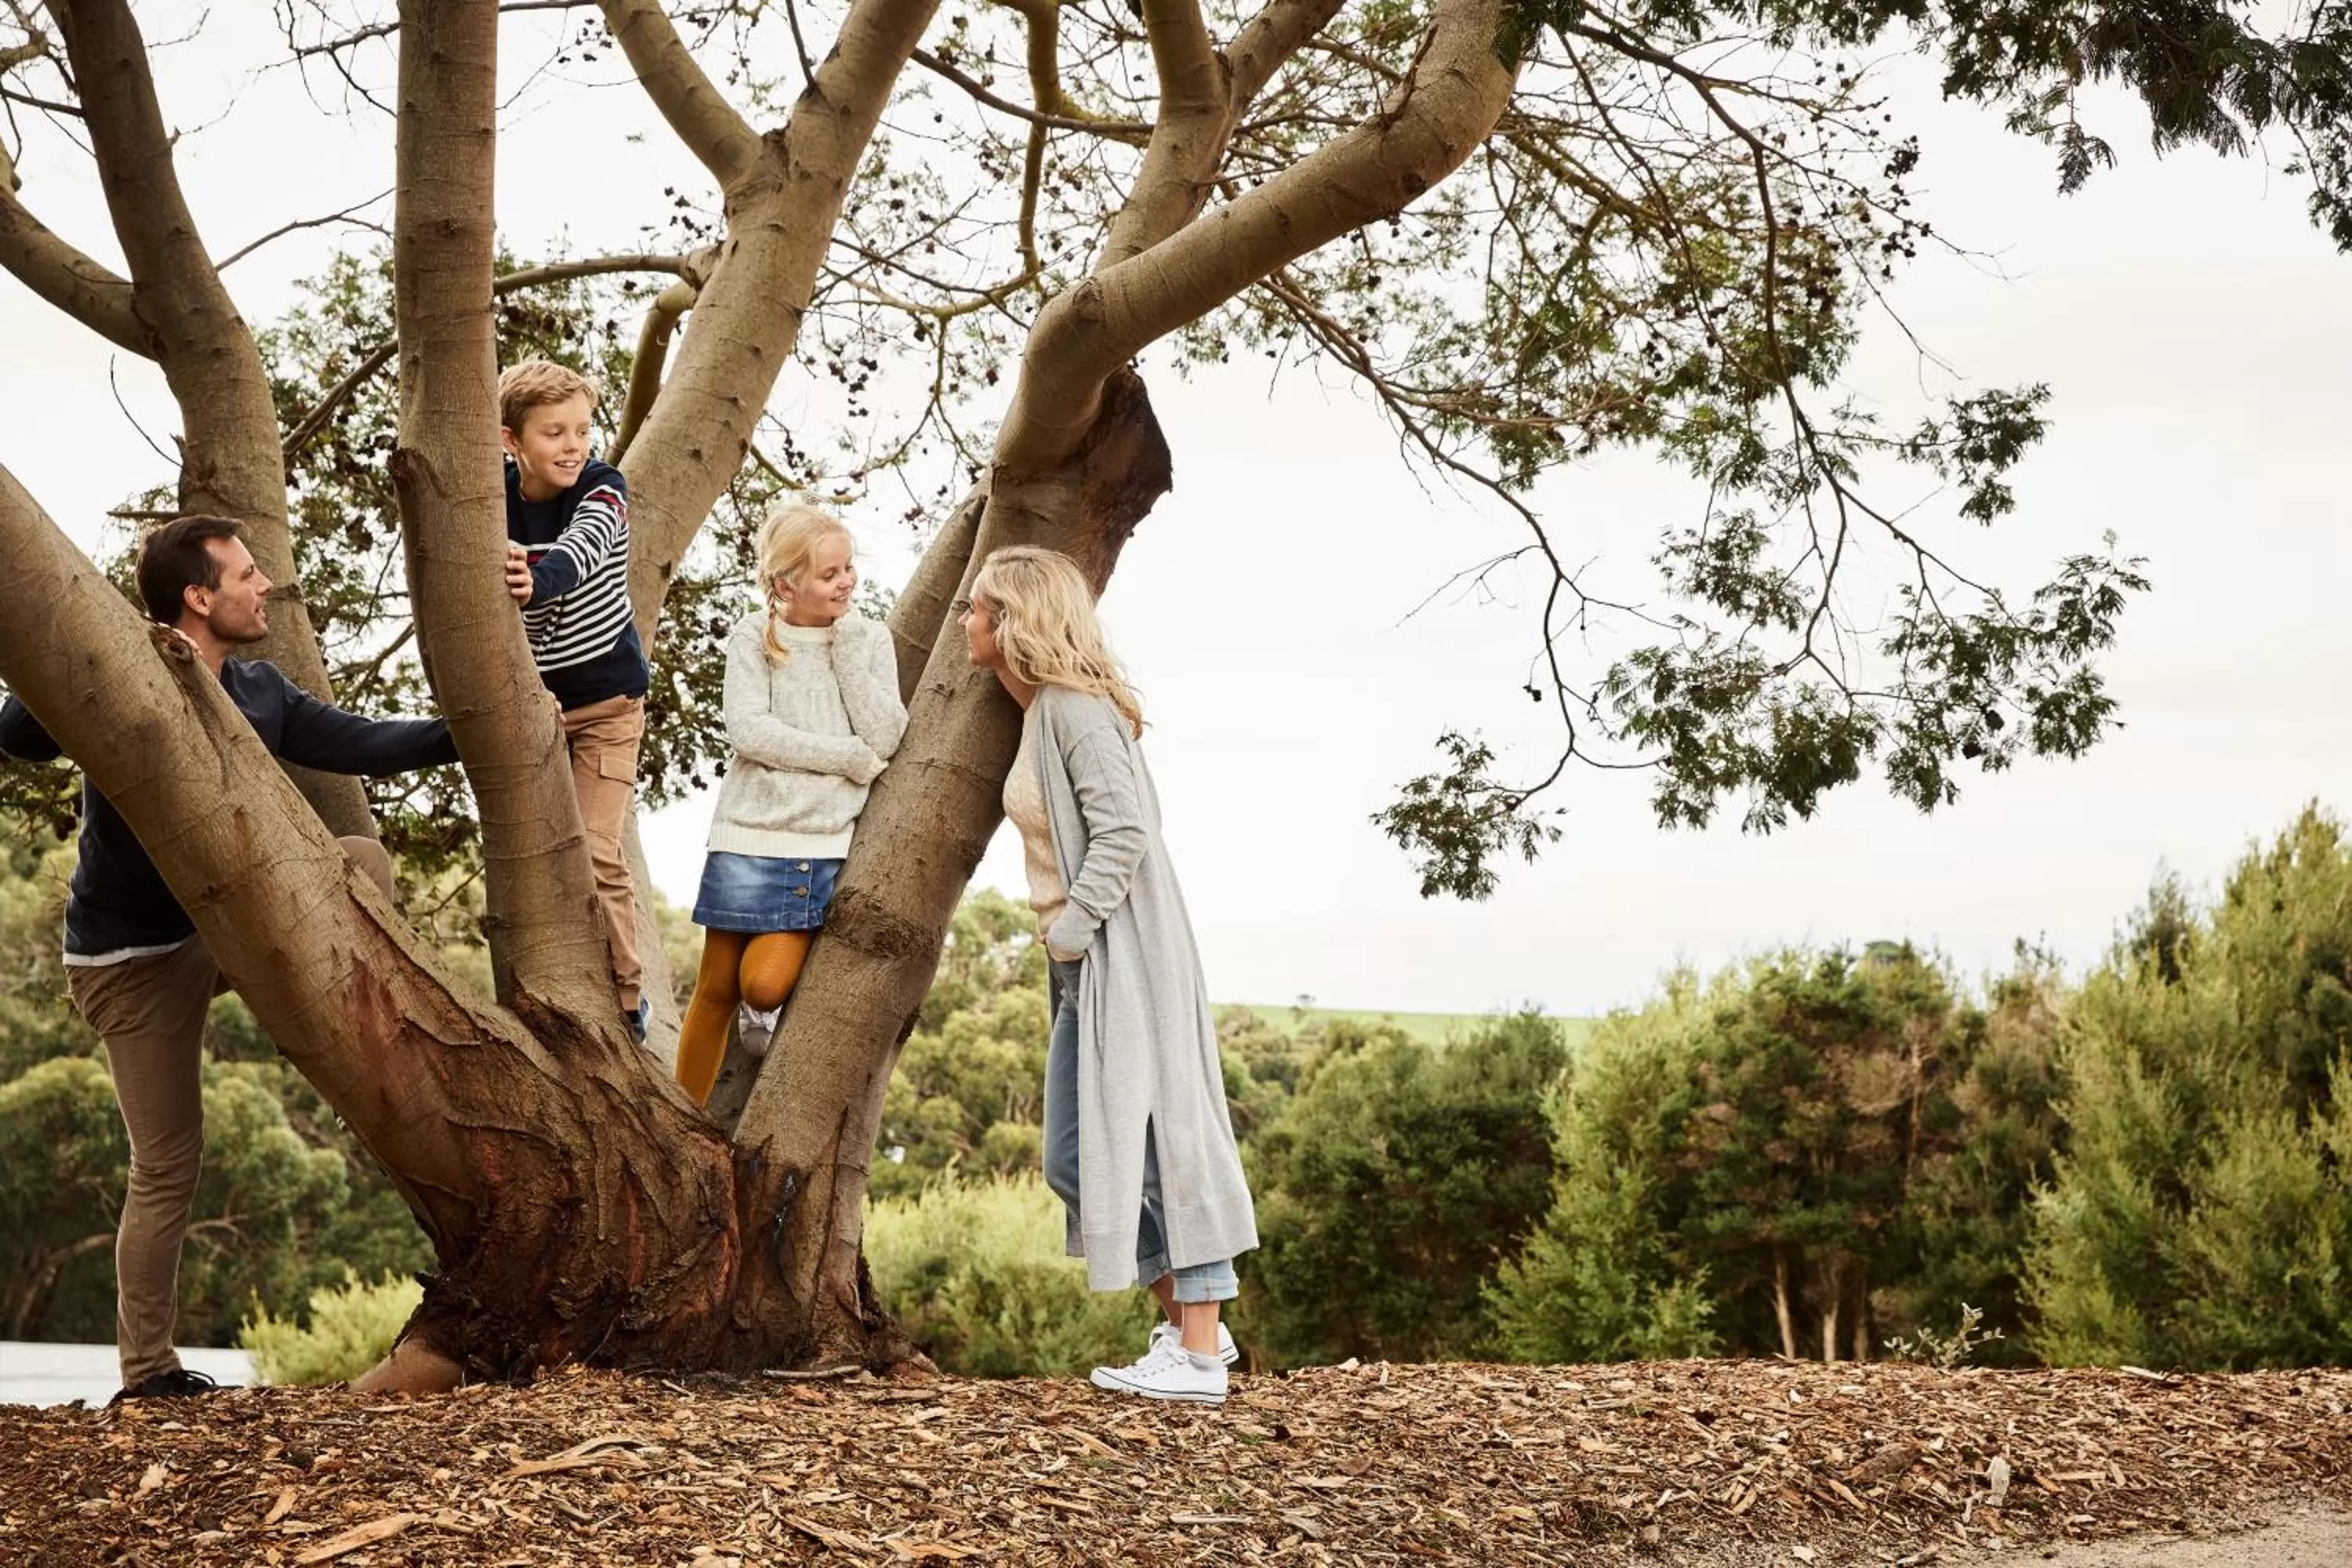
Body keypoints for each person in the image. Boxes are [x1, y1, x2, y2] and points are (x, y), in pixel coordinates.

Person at [0, 515, 460, 1403]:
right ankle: (147, 1373)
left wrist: (474, 726)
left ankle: (370, 1030)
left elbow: (366, 743)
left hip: (222, 924)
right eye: (247, 575)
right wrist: (94, 656)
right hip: (128, 960)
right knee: (169, 1157)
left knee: (359, 860)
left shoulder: (261, 691)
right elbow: (20, 732)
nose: (266, 587)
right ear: (199, 596)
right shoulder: (125, 672)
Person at [960, 546, 1258, 1406]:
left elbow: (1125, 831)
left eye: (978, 607)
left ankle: (1198, 1358)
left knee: (1162, 1141)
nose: (965, 620)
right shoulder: (1043, 710)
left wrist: (1074, 930)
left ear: (1012, 621)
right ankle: (1191, 1320)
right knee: (1073, 1158)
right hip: (1084, 962)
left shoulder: (1074, 710)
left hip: (1121, 955)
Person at [673, 503, 906, 1104]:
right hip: (747, 831)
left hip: (819, 840)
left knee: (764, 984)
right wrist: (846, 759)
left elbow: (885, 736)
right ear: (786, 583)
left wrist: (848, 653)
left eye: (849, 568)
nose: (847, 582)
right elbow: (750, 732)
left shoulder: (867, 637)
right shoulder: (756, 636)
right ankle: (679, 1114)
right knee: (716, 988)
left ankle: (766, 1017)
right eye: (830, 574)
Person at [498, 358, 653, 1039]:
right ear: (512, 442)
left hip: (610, 709)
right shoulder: (492, 497)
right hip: (535, 709)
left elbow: (583, 549)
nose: (573, 445)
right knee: (530, 855)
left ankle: (627, 998)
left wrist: (534, 573)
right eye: (554, 432)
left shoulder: (603, 486)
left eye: (583, 429)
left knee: (595, 848)